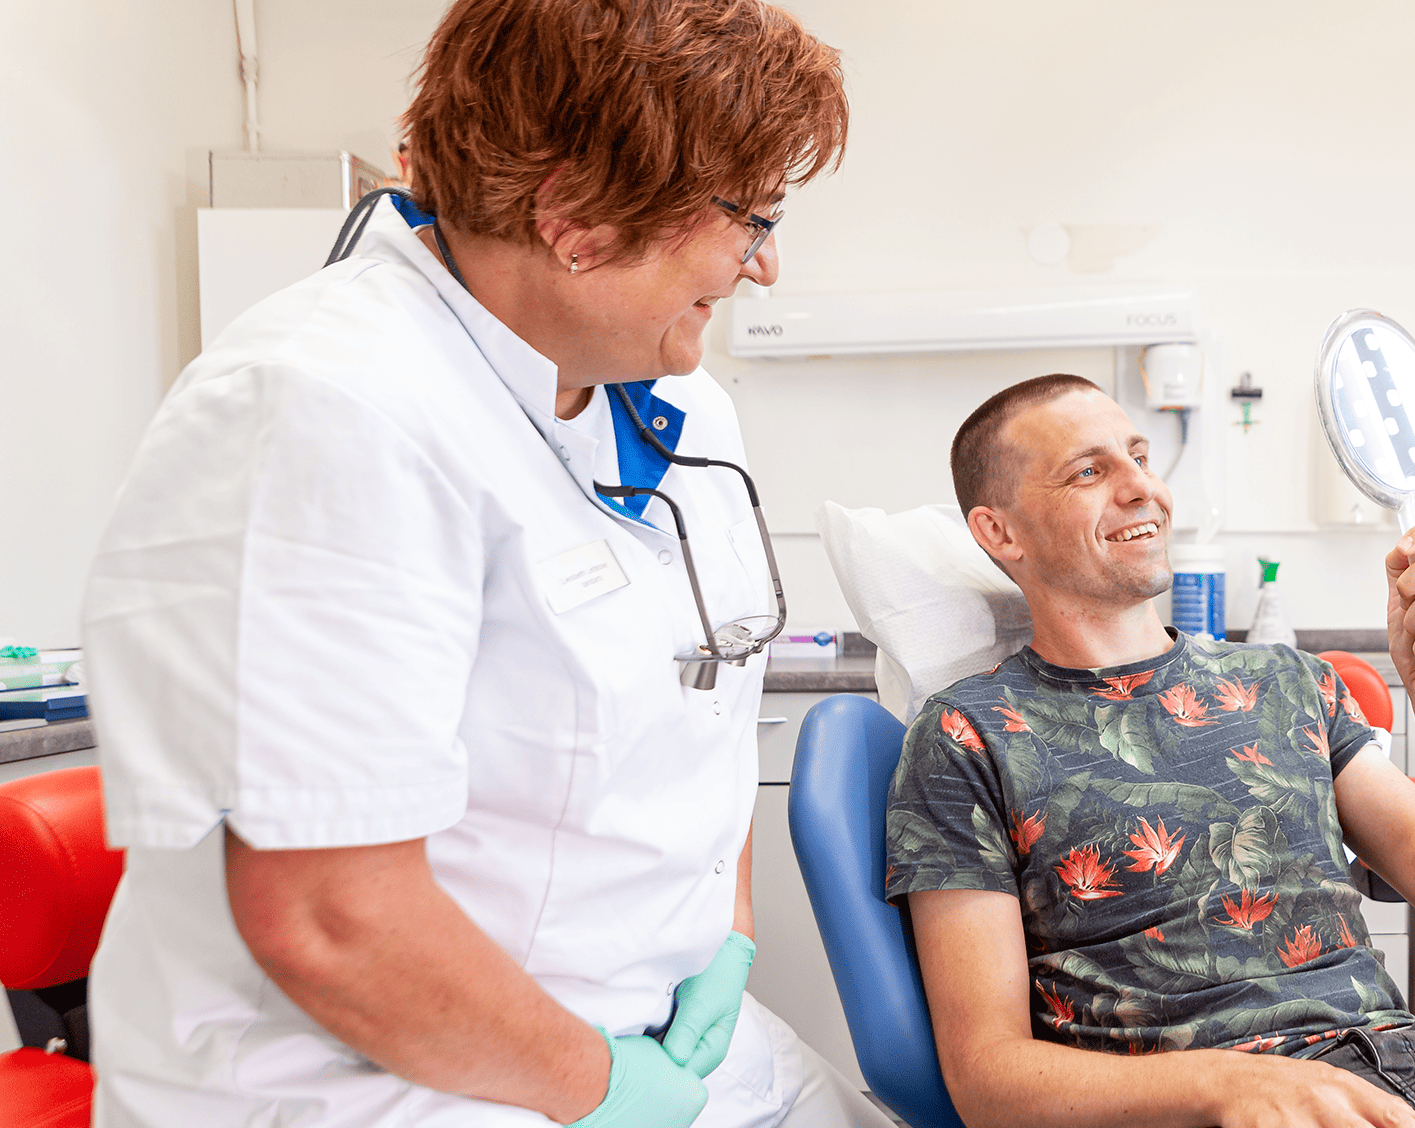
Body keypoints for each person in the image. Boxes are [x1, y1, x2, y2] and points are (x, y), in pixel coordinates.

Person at [79, 2, 889, 1126]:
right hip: (396, 1082)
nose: (766, 265)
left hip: (663, 1035)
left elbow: (705, 697)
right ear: (576, 220)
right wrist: (602, 1089)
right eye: (748, 219)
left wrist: (730, 931)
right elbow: (330, 919)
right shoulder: (321, 411)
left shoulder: (679, 399)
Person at [884, 374, 1415, 1128]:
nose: (1142, 486)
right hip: (1196, 1104)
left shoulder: (1289, 683)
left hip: (1408, 1066)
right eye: (1088, 471)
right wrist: (1230, 1086)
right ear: (1000, 531)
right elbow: (987, 1079)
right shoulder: (967, 736)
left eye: (1139, 456)